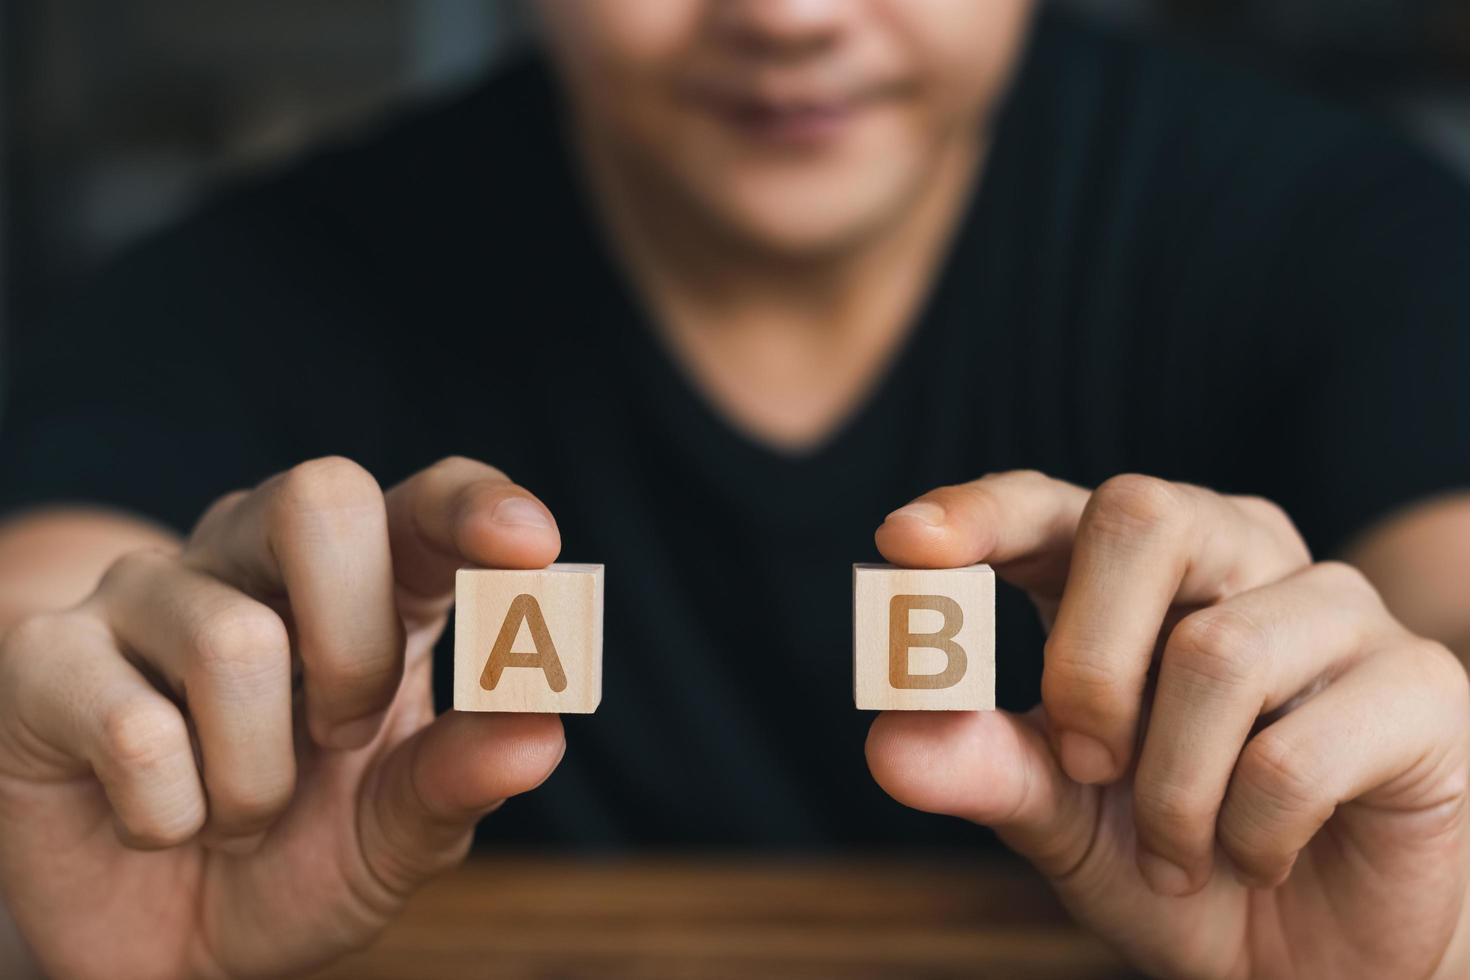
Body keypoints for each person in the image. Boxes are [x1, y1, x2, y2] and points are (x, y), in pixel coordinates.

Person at [1, 0, 1469, 975]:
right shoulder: (242, 280)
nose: (787, 17)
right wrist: (49, 902)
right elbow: (43, 631)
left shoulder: (1352, 233)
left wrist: (1439, 905)